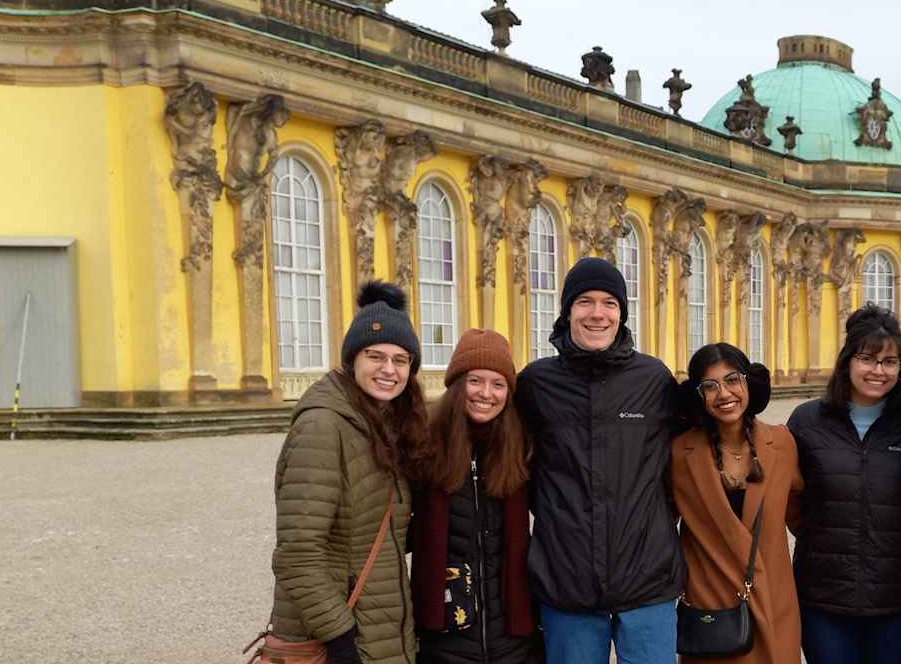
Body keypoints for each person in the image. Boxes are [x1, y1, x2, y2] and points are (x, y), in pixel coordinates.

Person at [516, 258, 682, 664]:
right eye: (584, 302)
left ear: (622, 313)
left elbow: (684, 461)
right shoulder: (536, 384)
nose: (597, 313)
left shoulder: (653, 379)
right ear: (567, 311)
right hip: (566, 583)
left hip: (648, 581)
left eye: (609, 303)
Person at [269, 281, 427, 664]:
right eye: (375, 356)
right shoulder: (323, 426)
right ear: (352, 359)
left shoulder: (386, 424)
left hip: (378, 628)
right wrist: (340, 638)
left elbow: (385, 535)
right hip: (340, 634)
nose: (388, 370)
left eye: (400, 360)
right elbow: (297, 553)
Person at [786, 304, 901, 664]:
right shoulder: (807, 421)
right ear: (847, 361)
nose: (878, 371)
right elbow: (790, 497)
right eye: (867, 359)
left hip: (896, 598)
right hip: (823, 597)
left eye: (890, 361)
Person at [409, 329, 541, 664]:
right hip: (444, 636)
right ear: (457, 385)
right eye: (475, 381)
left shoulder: (521, 447)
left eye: (498, 384)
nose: (486, 393)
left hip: (513, 638)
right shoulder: (424, 445)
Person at [671, 344, 803, 664]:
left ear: (748, 382)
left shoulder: (781, 443)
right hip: (713, 609)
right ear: (699, 395)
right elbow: (657, 521)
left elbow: (802, 514)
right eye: (710, 386)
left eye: (732, 380)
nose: (724, 394)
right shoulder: (679, 453)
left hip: (774, 602)